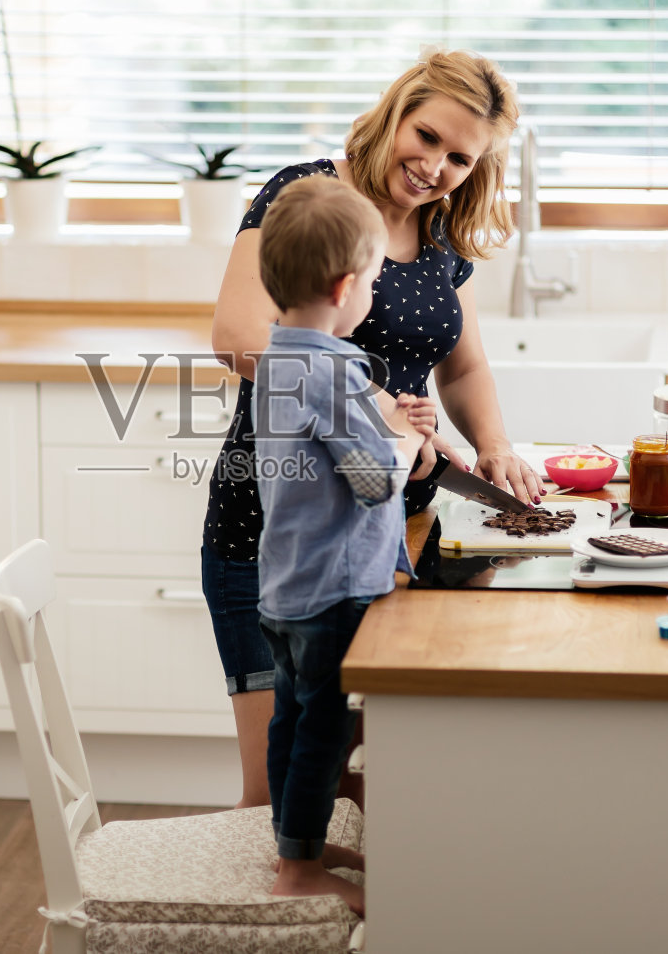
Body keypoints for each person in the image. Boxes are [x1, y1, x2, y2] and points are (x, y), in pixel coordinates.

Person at [204, 48, 540, 807]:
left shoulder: (442, 237)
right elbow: (236, 332)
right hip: (272, 535)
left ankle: (346, 918)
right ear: (397, 110)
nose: (435, 167)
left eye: (460, 158)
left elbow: (462, 369)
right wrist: (375, 407)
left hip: (385, 534)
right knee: (280, 788)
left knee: (351, 778)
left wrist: (493, 444)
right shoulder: (308, 195)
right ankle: (276, 921)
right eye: (426, 137)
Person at [251, 175, 432, 915]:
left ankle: (296, 843)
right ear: (346, 285)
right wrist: (402, 438)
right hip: (334, 589)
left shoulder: (279, 358)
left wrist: (392, 427)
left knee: (291, 718)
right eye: (374, 284)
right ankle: (298, 874)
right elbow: (369, 480)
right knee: (325, 729)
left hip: (286, 584)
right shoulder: (335, 369)